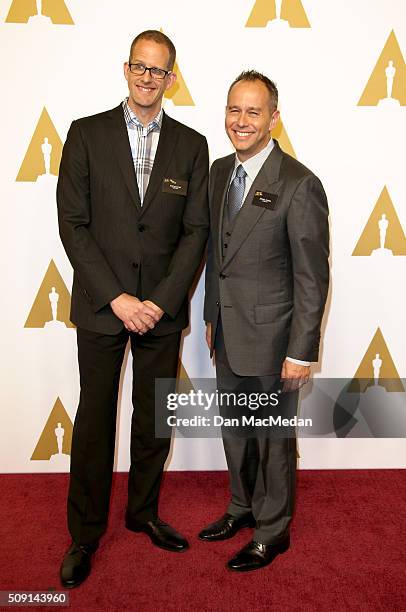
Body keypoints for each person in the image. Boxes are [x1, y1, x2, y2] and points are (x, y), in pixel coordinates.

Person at [57, 30, 209, 588]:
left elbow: (195, 233)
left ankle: (143, 512)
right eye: (140, 68)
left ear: (172, 77)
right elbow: (72, 225)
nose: (149, 78)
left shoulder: (192, 146)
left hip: (160, 311)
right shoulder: (85, 134)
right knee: (94, 421)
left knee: (154, 421)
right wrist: (119, 297)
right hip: (103, 306)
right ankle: (84, 533)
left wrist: (159, 302)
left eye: (159, 70)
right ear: (126, 70)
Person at [201, 71, 329, 571]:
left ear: (273, 118)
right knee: (235, 428)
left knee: (273, 438)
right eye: (235, 109)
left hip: (276, 341)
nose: (241, 121)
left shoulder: (300, 184)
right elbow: (217, 253)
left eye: (253, 111)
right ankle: (241, 507)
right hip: (228, 334)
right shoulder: (217, 173)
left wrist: (300, 350)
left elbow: (312, 278)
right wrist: (212, 312)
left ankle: (273, 532)